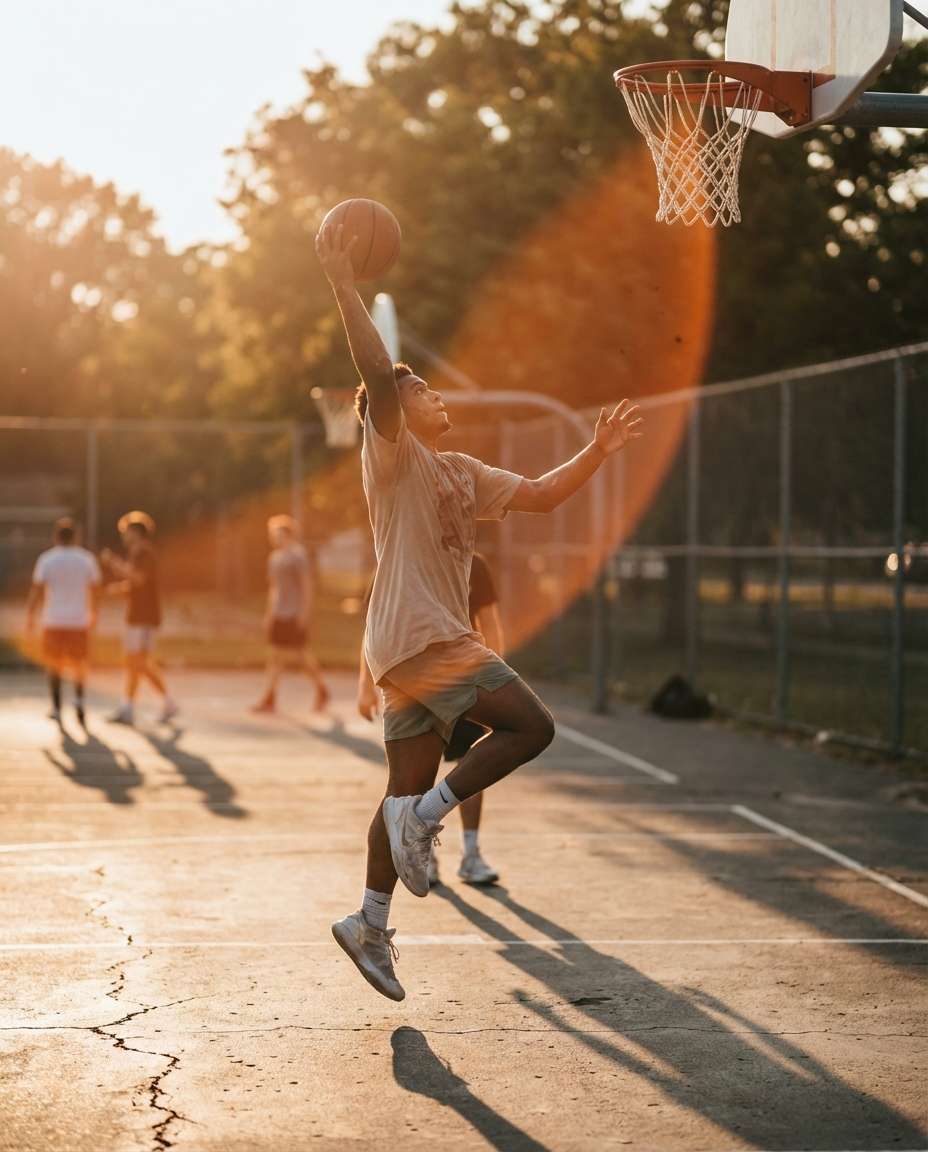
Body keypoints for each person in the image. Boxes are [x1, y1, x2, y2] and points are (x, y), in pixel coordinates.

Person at [317, 223, 642, 1002]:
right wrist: (342, 285)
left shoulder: (463, 471)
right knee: (533, 726)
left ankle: (368, 921)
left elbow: (538, 495)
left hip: (404, 648)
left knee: (398, 797)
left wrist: (595, 452)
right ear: (398, 405)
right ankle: (430, 819)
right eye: (422, 388)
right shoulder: (395, 453)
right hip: (425, 635)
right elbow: (370, 366)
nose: (437, 394)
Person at [358, 552, 504, 887]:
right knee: (416, 775)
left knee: (473, 762)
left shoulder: (474, 562)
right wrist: (364, 684)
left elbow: (491, 621)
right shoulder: (392, 557)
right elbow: (372, 626)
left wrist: (498, 679)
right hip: (412, 683)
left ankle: (471, 853)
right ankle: (426, 856)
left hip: (464, 677)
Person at [101, 511, 178, 726]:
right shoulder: (140, 554)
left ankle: (133, 707)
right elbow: (137, 584)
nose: (123, 536)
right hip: (139, 614)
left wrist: (113, 563)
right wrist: (121, 589)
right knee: (137, 663)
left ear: (135, 532)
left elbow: (139, 579)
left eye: (125, 532)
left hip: (143, 617)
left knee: (136, 662)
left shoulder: (143, 553)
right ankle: (144, 705)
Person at [26, 518, 101, 728]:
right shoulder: (87, 559)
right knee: (79, 663)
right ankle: (79, 699)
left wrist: (31, 616)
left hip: (54, 620)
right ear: (75, 537)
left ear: (56, 537)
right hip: (79, 620)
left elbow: (37, 591)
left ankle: (57, 708)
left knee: (54, 664)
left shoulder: (47, 560)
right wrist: (94, 613)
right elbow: (95, 590)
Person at [252, 514, 330, 714]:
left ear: (288, 534)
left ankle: (321, 689)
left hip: (294, 613)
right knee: (275, 656)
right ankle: (269, 698)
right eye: (273, 534)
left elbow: (306, 586)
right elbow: (274, 589)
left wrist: (304, 613)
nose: (274, 537)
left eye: (278, 533)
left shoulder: (298, 556)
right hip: (279, 613)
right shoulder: (274, 558)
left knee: (301, 657)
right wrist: (269, 614)